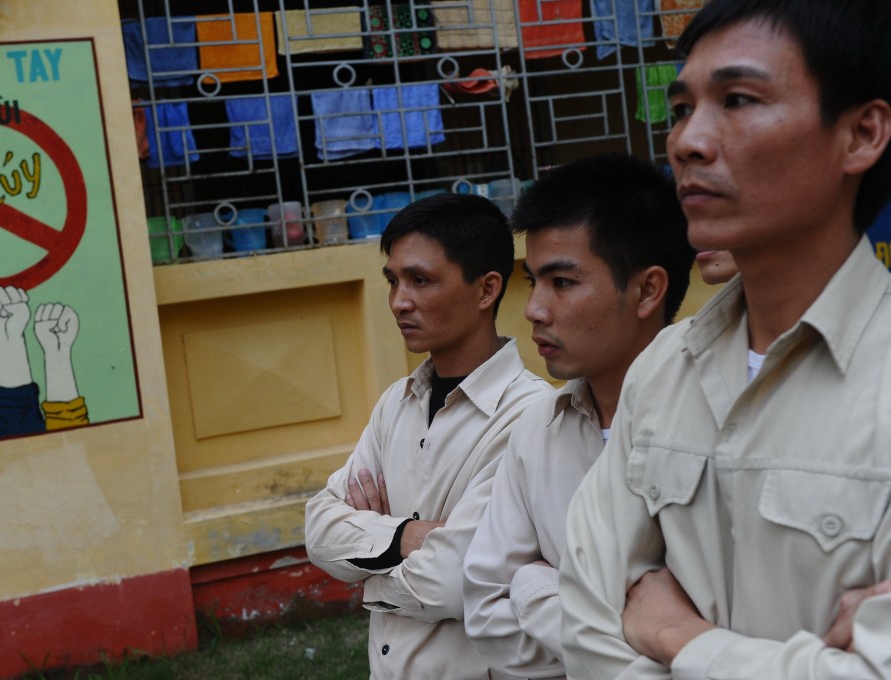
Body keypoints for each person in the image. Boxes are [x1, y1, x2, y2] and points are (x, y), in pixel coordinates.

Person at [559, 1, 891, 678]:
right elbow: (587, 624)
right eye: (681, 109)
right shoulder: (663, 370)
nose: (686, 142)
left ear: (860, 134)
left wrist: (680, 639)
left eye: (738, 100)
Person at [462, 153, 694, 678]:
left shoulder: (716, 421)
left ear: (647, 290)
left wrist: (535, 587)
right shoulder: (537, 430)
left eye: (562, 283)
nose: (534, 309)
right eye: (532, 282)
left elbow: (733, 628)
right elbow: (487, 613)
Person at [304, 193, 552, 679]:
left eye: (421, 280)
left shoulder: (531, 415)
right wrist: (406, 536)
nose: (400, 301)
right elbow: (318, 530)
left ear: (486, 290)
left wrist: (368, 571)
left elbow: (452, 583)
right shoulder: (397, 403)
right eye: (393, 281)